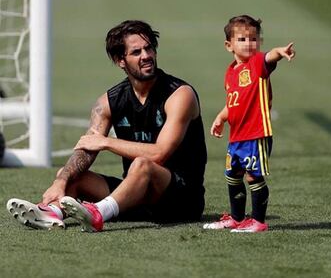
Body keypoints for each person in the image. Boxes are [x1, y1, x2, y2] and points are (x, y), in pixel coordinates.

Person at [7, 20, 207, 232]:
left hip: (181, 201)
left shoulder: (179, 95)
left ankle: (97, 213)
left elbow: (159, 154)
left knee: (142, 165)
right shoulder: (109, 102)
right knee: (73, 175)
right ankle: (52, 213)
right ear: (120, 60)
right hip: (137, 197)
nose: (146, 56)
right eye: (136, 52)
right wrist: (62, 180)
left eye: (149, 48)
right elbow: (86, 147)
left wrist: (106, 142)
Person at [203, 15, 295, 233]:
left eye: (254, 39)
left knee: (253, 175)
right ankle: (236, 218)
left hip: (256, 133)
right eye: (243, 39)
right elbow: (233, 101)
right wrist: (221, 117)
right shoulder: (230, 72)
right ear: (229, 45)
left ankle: (258, 221)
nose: (249, 44)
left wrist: (279, 52)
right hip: (237, 136)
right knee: (232, 174)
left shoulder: (257, 64)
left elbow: (269, 57)